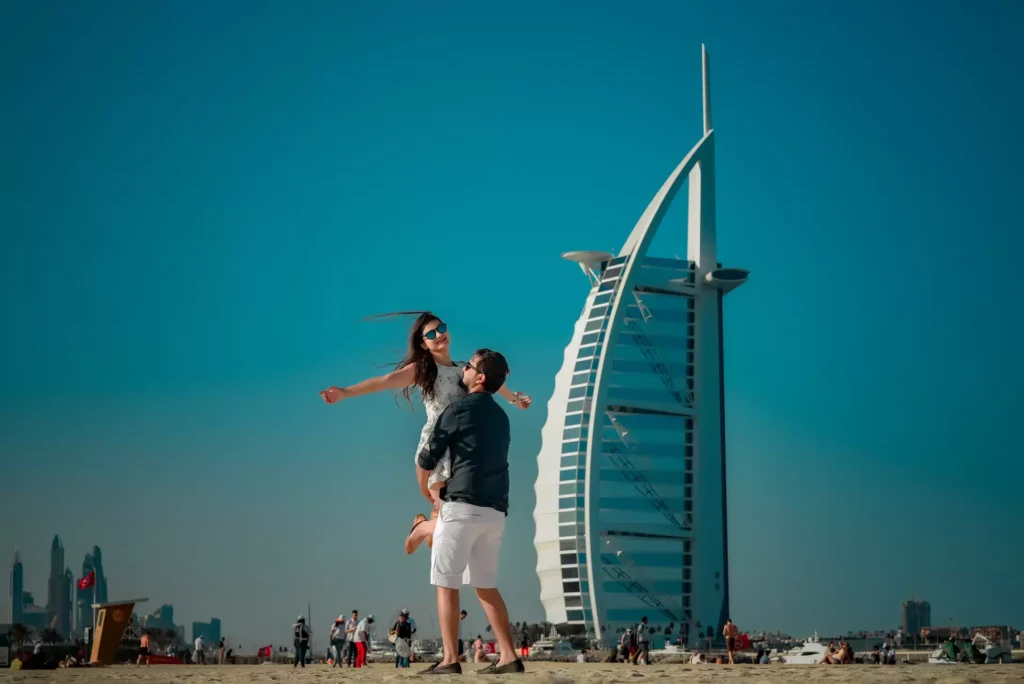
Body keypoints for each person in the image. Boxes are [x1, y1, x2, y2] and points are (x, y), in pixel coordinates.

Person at [319, 313, 531, 555]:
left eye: (441, 328)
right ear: (423, 343)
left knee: (453, 511)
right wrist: (344, 392)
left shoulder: (465, 368)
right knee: (449, 515)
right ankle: (423, 528)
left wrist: (515, 400)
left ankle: (427, 524)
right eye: (431, 333)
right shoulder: (423, 369)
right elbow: (385, 381)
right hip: (437, 445)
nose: (439, 334)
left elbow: (492, 380)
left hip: (462, 447)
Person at [415, 349, 525, 675]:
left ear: (478, 377)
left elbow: (428, 454)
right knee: (485, 584)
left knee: (446, 582)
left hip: (462, 507)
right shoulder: (502, 417)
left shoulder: (459, 408)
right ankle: (508, 656)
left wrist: (426, 491)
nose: (463, 366)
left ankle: (450, 659)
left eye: (470, 365)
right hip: (495, 511)